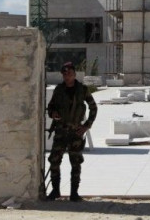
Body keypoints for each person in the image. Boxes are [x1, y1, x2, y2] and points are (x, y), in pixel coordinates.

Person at [46, 62, 98, 201]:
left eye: (69, 73)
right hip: (61, 131)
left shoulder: (82, 89)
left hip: (76, 132)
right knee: (54, 161)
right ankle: (55, 190)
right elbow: (50, 107)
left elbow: (93, 107)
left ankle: (74, 193)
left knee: (75, 162)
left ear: (74, 74)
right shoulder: (58, 90)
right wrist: (53, 113)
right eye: (64, 74)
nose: (67, 76)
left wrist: (87, 125)